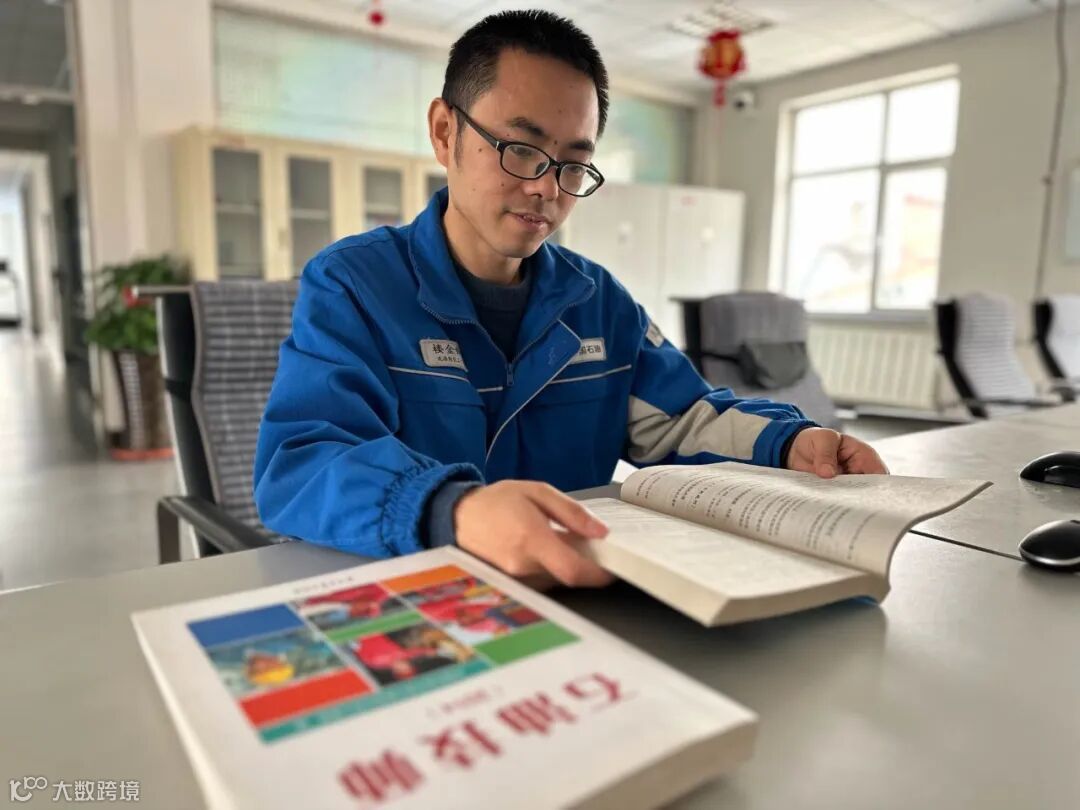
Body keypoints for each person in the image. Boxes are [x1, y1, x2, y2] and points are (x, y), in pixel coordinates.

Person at [254, 10, 888, 590]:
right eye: (521, 150)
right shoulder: (356, 285)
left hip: (572, 593)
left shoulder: (597, 301)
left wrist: (790, 443)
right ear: (445, 132)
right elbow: (304, 461)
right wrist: (455, 510)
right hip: (417, 590)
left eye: (573, 165)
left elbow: (684, 419)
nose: (547, 189)